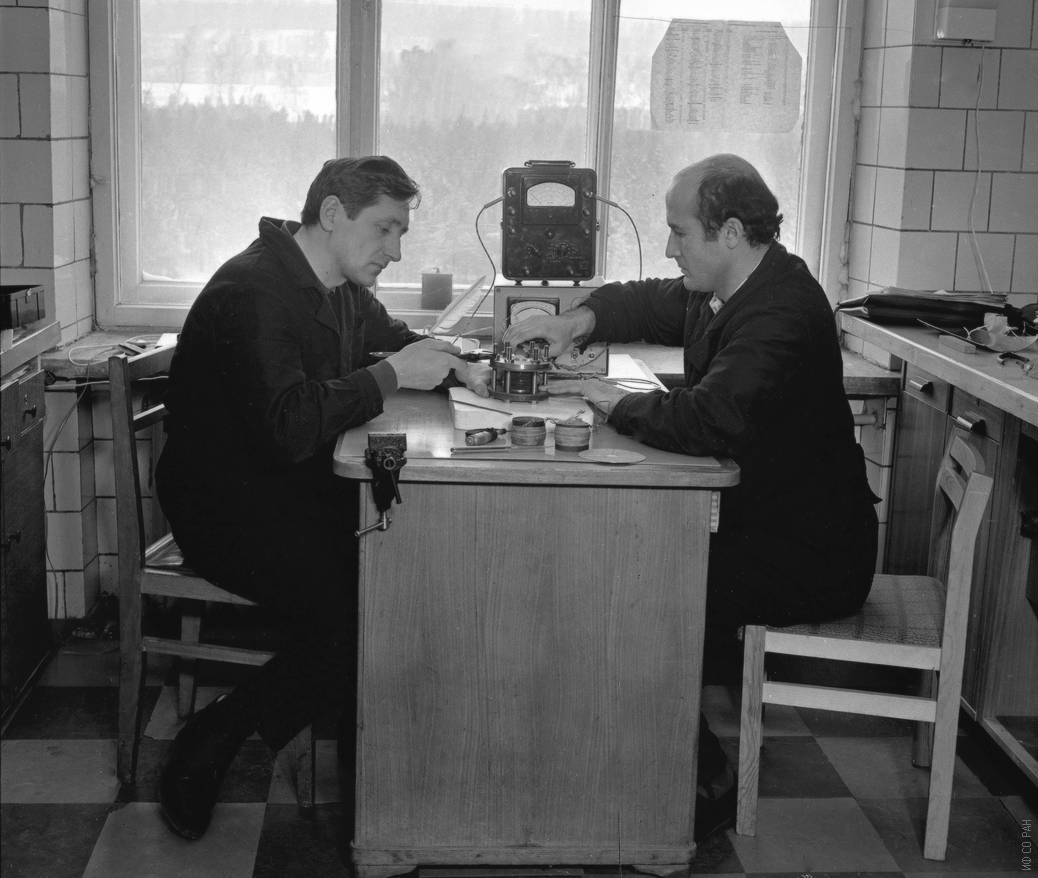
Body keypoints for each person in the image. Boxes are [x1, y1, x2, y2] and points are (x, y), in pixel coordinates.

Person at [504, 153, 879, 843]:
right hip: (762, 530)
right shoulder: (727, 289)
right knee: (628, 566)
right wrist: (572, 323)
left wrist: (606, 398)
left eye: (680, 232)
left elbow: (710, 420)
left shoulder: (781, 309)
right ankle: (641, 761)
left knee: (643, 587)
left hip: (809, 555)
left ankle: (694, 787)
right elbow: (645, 300)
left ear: (729, 232)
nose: (671, 247)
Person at [154, 155, 491, 840]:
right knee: (363, 610)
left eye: (401, 233)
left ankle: (388, 765)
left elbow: (393, 341)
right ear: (333, 214)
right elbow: (286, 429)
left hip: (287, 493)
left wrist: (458, 362)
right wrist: (393, 374)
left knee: (403, 571)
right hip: (224, 508)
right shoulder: (255, 292)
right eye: (385, 229)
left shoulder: (337, 283)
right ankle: (213, 738)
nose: (395, 251)